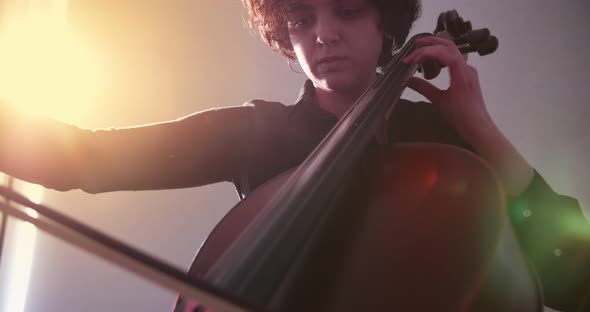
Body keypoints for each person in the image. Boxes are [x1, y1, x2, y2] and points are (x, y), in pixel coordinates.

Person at [0, 0, 587, 311]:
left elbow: (573, 278)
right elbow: (85, 158)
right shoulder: (257, 132)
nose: (322, 35)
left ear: (385, 22)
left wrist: (480, 129)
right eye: (302, 19)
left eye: (347, 10)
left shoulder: (448, 140)